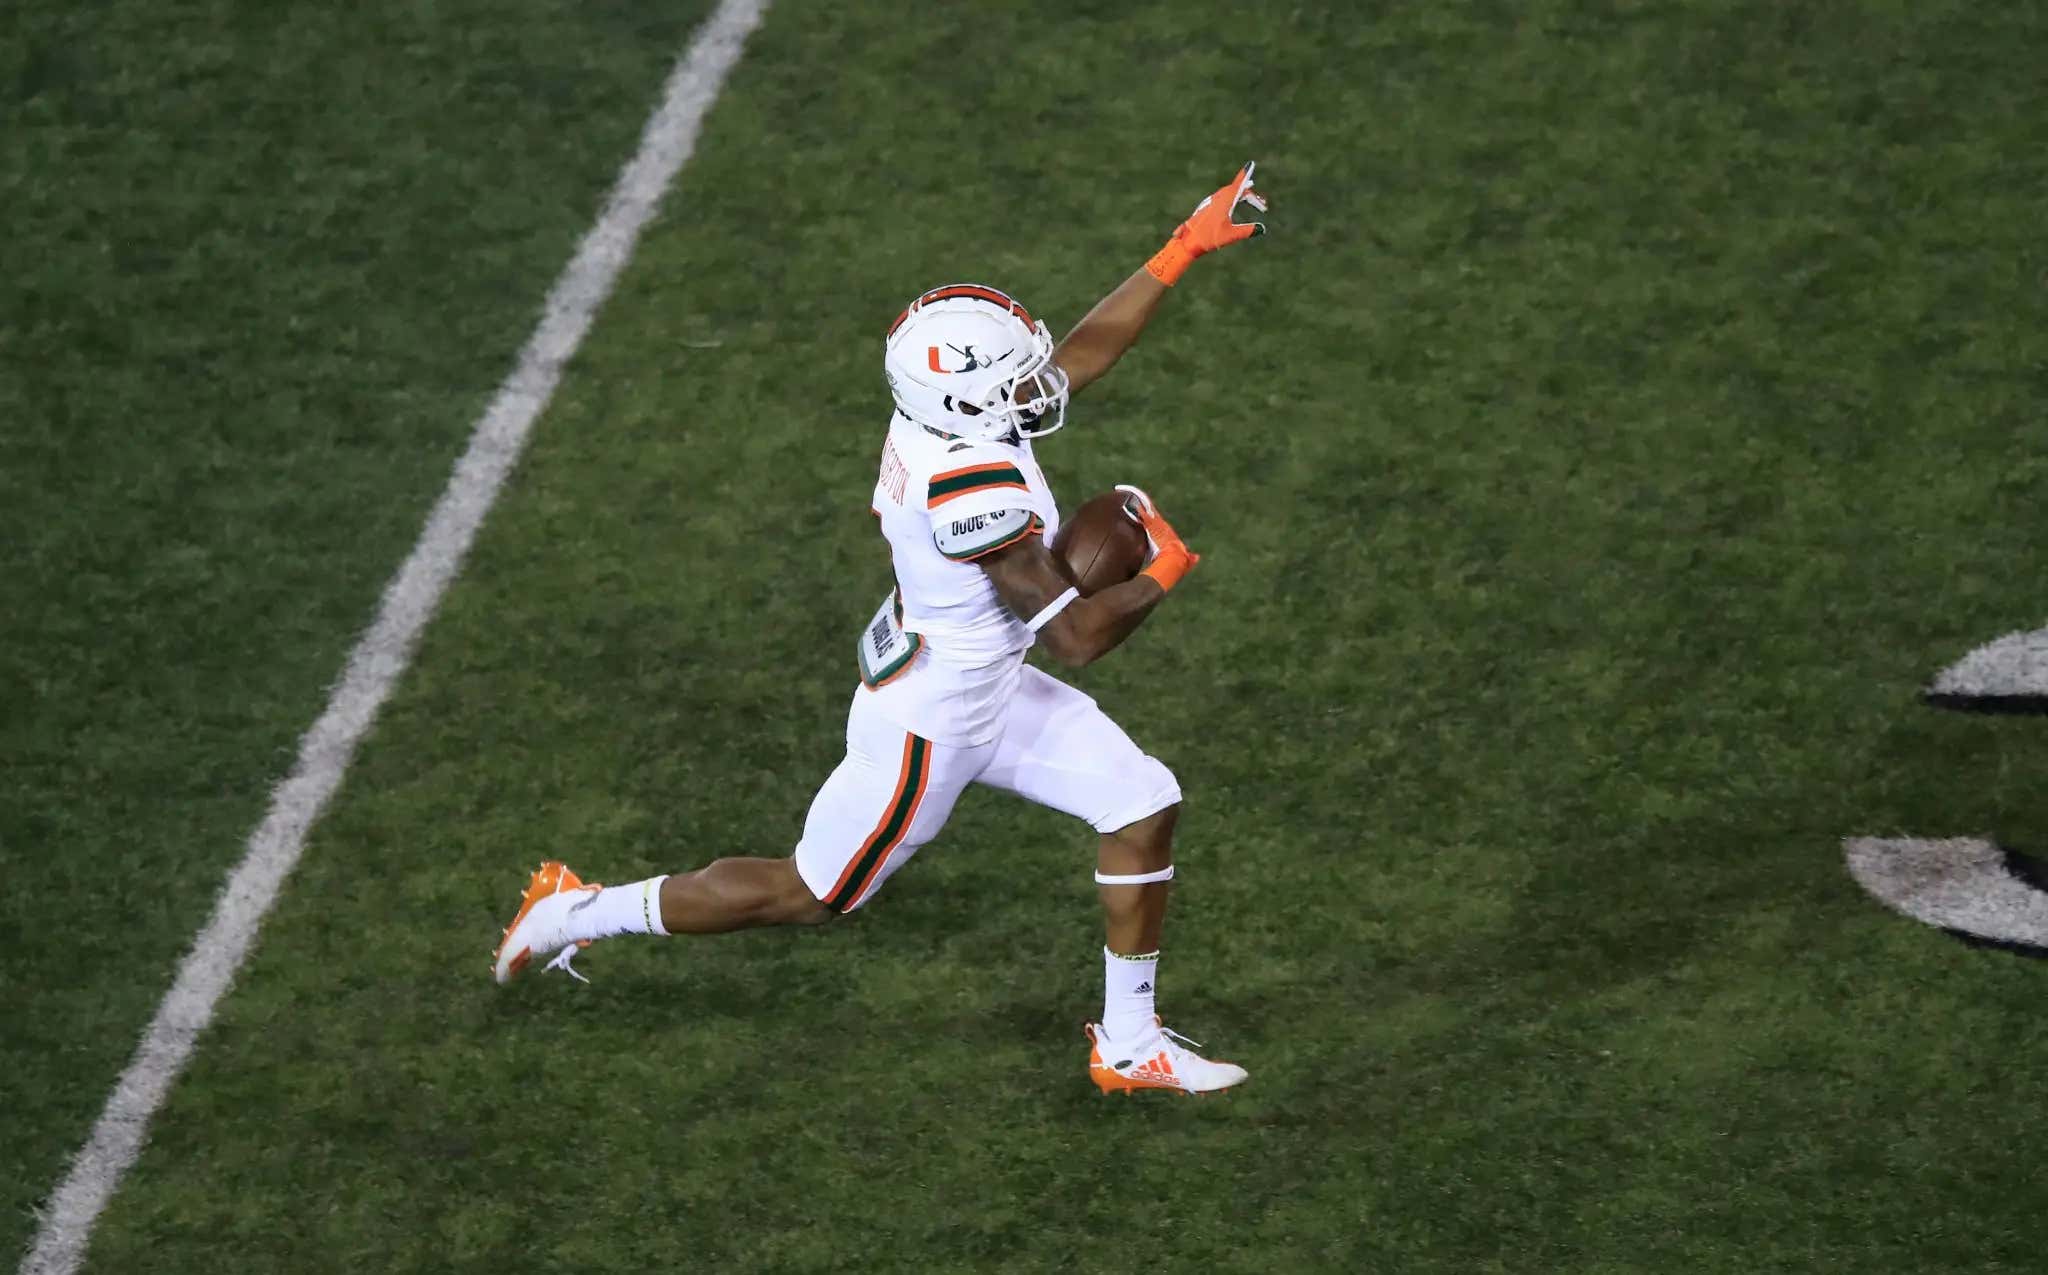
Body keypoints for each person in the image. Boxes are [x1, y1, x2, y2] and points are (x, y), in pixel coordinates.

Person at [493, 163, 1271, 1096]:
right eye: (1014, 375)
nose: (1040, 379)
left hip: (979, 676)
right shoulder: (969, 487)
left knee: (1143, 805)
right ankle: (577, 910)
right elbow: (1076, 638)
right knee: (809, 893)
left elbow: (1077, 358)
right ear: (964, 397)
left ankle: (1129, 1041)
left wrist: (1185, 245)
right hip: (932, 724)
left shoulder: (946, 422)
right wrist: (1164, 571)